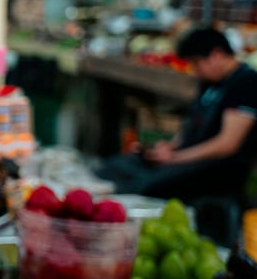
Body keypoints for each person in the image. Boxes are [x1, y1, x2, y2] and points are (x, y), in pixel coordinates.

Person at [97, 27, 257, 201]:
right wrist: (170, 146)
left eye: (196, 63)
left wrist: (176, 158)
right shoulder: (210, 82)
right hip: (186, 159)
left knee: (142, 187)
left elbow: (227, 144)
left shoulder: (246, 84)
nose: (194, 71)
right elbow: (193, 125)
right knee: (113, 168)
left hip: (216, 171)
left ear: (217, 55)